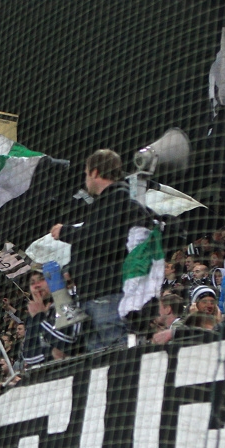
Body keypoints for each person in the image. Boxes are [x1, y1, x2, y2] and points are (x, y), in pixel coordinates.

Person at [49, 149, 154, 351]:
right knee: (101, 365)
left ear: (95, 173)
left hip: (109, 295)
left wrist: (66, 232)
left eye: (87, 173)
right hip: (98, 296)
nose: (86, 180)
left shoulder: (116, 200)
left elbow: (103, 239)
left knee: (119, 359)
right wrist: (74, 269)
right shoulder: (107, 202)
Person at [21, 270, 79, 365]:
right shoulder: (35, 313)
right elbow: (28, 356)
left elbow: (66, 345)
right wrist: (51, 353)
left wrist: (39, 317)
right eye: (32, 283)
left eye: (42, 279)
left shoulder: (70, 301)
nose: (37, 285)